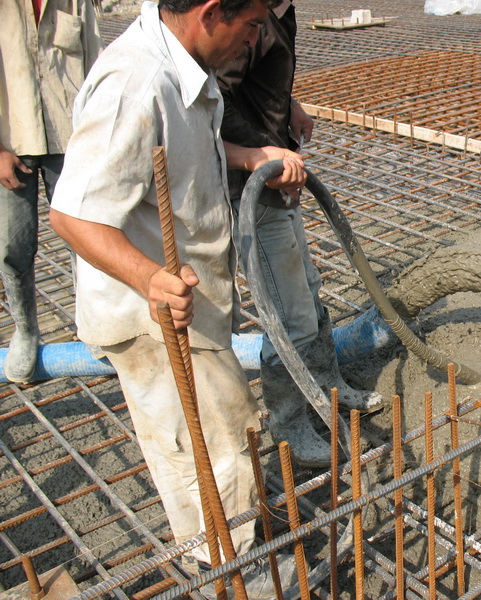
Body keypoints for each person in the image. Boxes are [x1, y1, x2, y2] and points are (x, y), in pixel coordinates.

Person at [49, 0, 305, 596]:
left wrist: (248, 156)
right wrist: (148, 279)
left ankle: (233, 549)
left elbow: (188, 148)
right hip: (153, 317)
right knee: (209, 450)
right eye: (250, 26)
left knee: (222, 437)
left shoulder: (186, 64)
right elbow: (71, 213)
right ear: (212, 12)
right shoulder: (137, 82)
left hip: (191, 305)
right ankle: (234, 571)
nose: (255, 41)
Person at [216, 0, 383, 469]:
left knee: (308, 293)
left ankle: (329, 390)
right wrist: (260, 152)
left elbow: (253, 83)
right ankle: (289, 425)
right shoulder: (250, 20)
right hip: (253, 187)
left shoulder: (278, 11)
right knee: (287, 317)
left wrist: (289, 105)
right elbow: (218, 101)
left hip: (277, 177)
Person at [0, 0, 103, 383]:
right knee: (13, 244)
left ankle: (91, 323)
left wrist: (96, 138)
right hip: (11, 138)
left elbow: (97, 65)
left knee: (85, 235)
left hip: (70, 138)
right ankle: (26, 329)